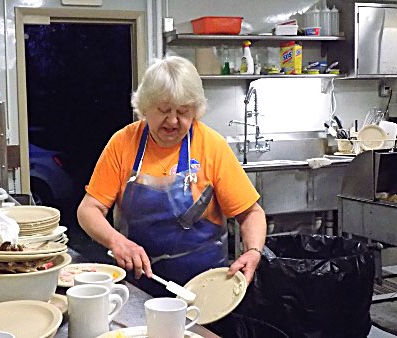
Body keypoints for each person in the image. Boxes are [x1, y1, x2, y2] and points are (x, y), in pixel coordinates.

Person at [77, 55, 267, 297]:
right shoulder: (123, 143)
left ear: (196, 111)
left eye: (183, 112)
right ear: (145, 107)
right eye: (164, 110)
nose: (173, 121)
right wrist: (117, 242)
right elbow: (89, 209)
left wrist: (253, 251)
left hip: (205, 289)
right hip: (138, 287)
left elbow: (251, 213)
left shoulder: (213, 146)